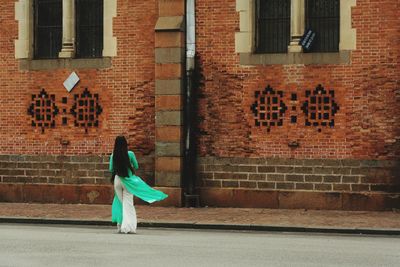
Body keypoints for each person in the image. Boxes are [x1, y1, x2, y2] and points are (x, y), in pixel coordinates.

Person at [110, 136, 168, 233]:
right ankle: (129, 227)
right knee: (128, 204)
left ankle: (120, 226)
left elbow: (111, 169)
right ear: (125, 144)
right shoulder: (130, 154)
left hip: (117, 180)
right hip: (128, 181)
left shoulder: (113, 155)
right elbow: (136, 166)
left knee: (120, 203)